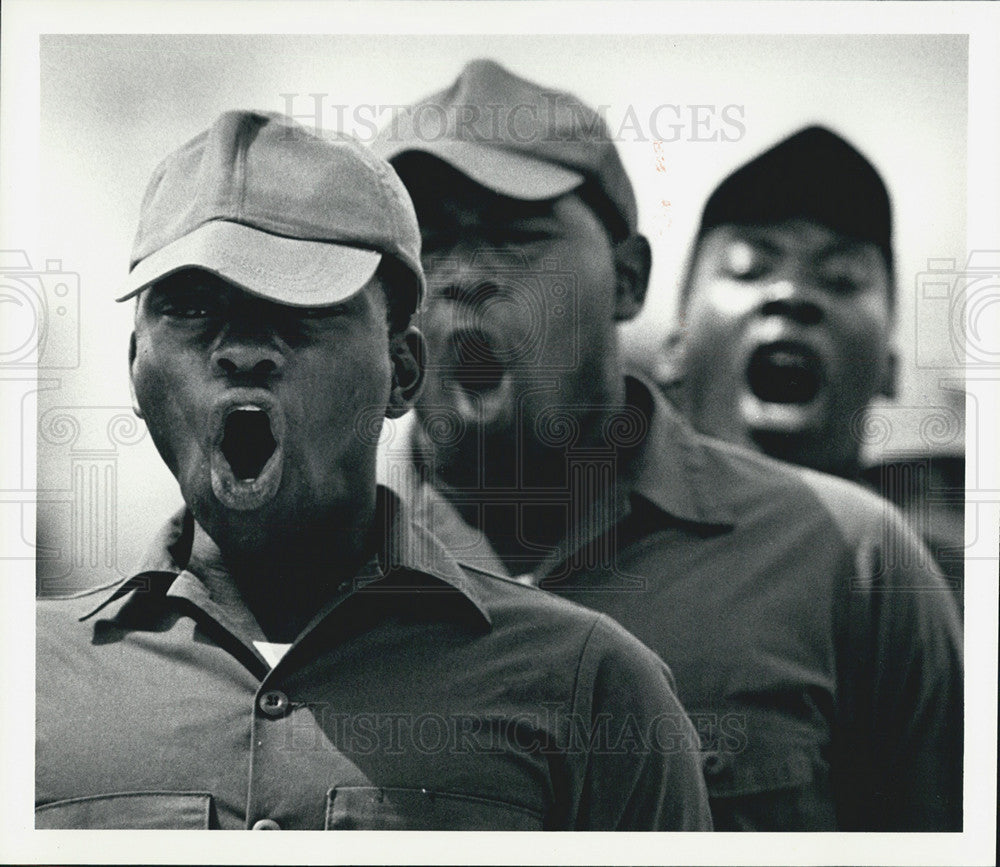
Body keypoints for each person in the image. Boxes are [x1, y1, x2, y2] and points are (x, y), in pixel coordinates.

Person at [35, 110, 712, 831]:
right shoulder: (31, 679)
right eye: (194, 308)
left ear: (403, 370)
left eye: (299, 306)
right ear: (134, 368)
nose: (242, 351)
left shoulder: (589, 683)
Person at [375, 60, 963, 831]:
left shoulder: (856, 564)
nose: (463, 277)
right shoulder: (304, 575)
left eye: (515, 235)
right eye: (428, 243)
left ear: (629, 278)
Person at [657, 125, 964, 588]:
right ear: (674, 351)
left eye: (841, 278)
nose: (792, 293)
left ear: (889, 369)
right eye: (748, 268)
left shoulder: (942, 587)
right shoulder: (591, 558)